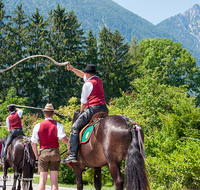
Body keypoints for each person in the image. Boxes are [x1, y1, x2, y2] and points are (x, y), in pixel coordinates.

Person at [62, 63, 108, 164]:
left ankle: (72, 154)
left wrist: (81, 111)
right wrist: (72, 69)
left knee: (74, 127)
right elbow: (82, 75)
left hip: (93, 109)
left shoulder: (87, 84)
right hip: (104, 109)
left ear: (87, 74)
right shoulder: (98, 79)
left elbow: (83, 102)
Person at [31, 103, 68, 190]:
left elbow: (33, 143)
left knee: (42, 180)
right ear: (53, 113)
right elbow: (63, 139)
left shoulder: (37, 126)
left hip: (43, 153)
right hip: (55, 153)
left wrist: (36, 156)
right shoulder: (58, 125)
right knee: (54, 180)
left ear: (44, 113)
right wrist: (70, 143)